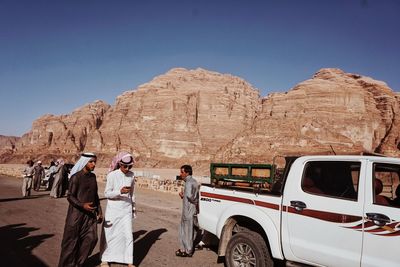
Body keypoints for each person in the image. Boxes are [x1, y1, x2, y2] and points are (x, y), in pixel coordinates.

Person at [58, 152, 103, 267]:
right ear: (84, 163)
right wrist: (82, 205)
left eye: (94, 162)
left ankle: (79, 263)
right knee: (71, 243)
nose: (94, 164)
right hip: (76, 215)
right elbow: (70, 196)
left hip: (90, 216)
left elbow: (95, 195)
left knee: (92, 239)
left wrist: (100, 211)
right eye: (91, 162)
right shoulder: (76, 177)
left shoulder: (93, 177)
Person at [101, 152, 136, 267]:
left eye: (129, 166)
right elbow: (107, 193)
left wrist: (133, 209)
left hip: (126, 209)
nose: (127, 168)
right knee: (109, 234)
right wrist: (119, 192)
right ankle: (105, 259)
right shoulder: (112, 175)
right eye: (125, 166)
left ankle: (129, 261)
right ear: (119, 164)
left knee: (128, 234)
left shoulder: (132, 175)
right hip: (113, 209)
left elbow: (132, 194)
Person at [175, 165, 199, 257]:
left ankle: (186, 250)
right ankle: (188, 248)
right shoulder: (194, 181)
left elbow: (190, 196)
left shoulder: (188, 182)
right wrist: (183, 196)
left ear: (187, 173)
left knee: (186, 230)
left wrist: (194, 201)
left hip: (188, 211)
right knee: (191, 230)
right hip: (192, 210)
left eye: (182, 172)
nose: (180, 174)